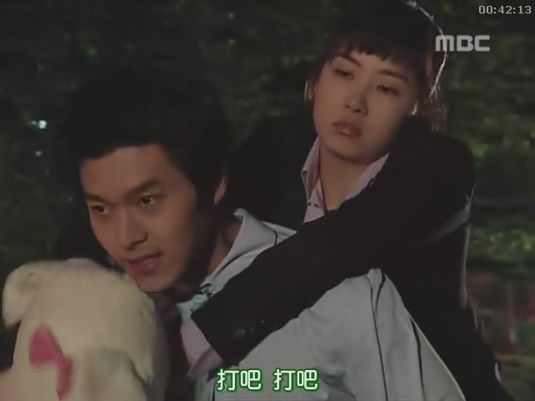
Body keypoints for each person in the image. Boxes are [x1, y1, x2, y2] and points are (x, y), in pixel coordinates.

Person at [55, 67, 463, 400]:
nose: (126, 237)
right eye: (101, 208)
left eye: (147, 201)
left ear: (214, 185)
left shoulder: (342, 299)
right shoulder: (87, 314)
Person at [183, 2, 513, 400]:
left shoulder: (438, 168)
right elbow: (207, 230)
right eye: (344, 73)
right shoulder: (274, 149)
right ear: (316, 81)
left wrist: (193, 342)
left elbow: (335, 246)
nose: (356, 102)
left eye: (386, 88)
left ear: (415, 106)